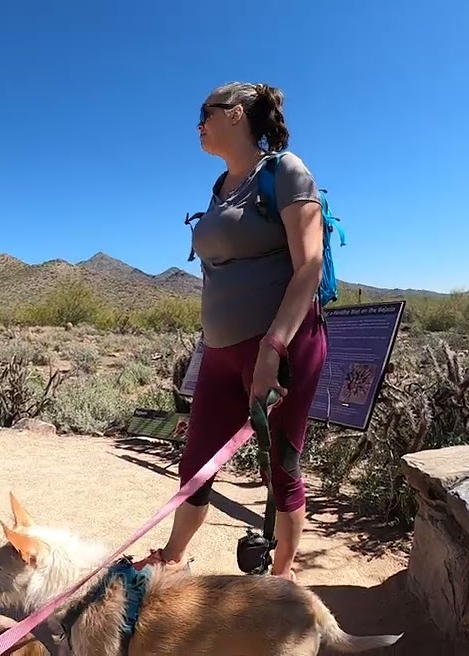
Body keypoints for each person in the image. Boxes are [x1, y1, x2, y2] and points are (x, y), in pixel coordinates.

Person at [135, 82, 329, 581]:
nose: (198, 123)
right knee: (197, 460)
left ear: (237, 113)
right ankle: (174, 557)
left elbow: (308, 266)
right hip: (219, 352)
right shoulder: (221, 187)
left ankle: (281, 579)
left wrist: (274, 345)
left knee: (280, 465)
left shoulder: (285, 171)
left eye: (206, 112)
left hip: (282, 346)